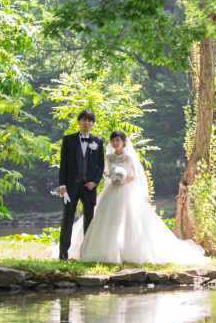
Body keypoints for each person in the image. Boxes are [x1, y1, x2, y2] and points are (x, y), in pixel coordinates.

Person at [67, 130, 207, 265]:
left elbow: (134, 177)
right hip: (112, 190)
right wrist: (111, 176)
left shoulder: (129, 158)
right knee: (108, 219)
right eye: (113, 140)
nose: (115, 143)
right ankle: (106, 250)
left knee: (129, 219)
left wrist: (122, 179)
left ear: (123, 142)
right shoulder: (109, 157)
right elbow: (108, 173)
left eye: (118, 140)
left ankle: (128, 250)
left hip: (127, 190)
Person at [58, 109, 106, 260]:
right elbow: (63, 164)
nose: (86, 123)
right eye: (84, 120)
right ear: (79, 122)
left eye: (89, 121)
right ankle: (63, 254)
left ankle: (87, 254)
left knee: (89, 220)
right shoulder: (68, 139)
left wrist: (95, 183)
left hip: (89, 187)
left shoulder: (98, 141)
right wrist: (62, 186)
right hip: (71, 186)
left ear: (93, 124)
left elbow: (101, 165)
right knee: (67, 219)